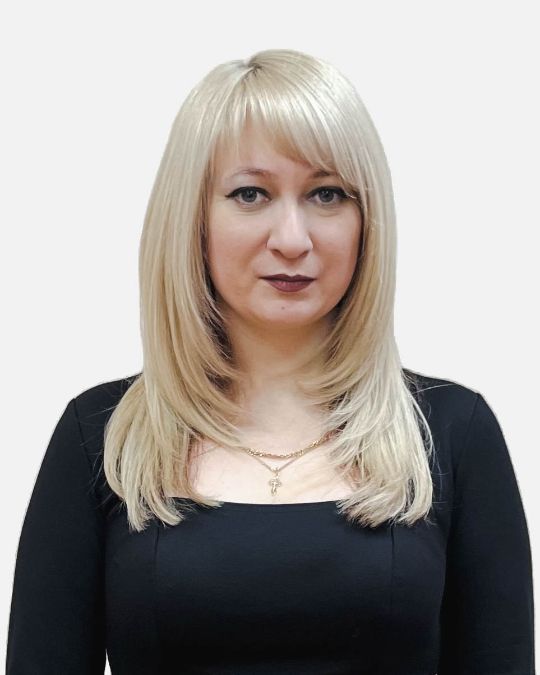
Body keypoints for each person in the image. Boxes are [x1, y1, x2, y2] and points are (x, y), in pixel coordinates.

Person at [5, 48, 534, 675]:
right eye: (250, 193)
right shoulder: (102, 436)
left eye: (327, 194)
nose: (291, 238)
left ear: (367, 222)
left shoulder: (452, 433)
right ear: (193, 218)